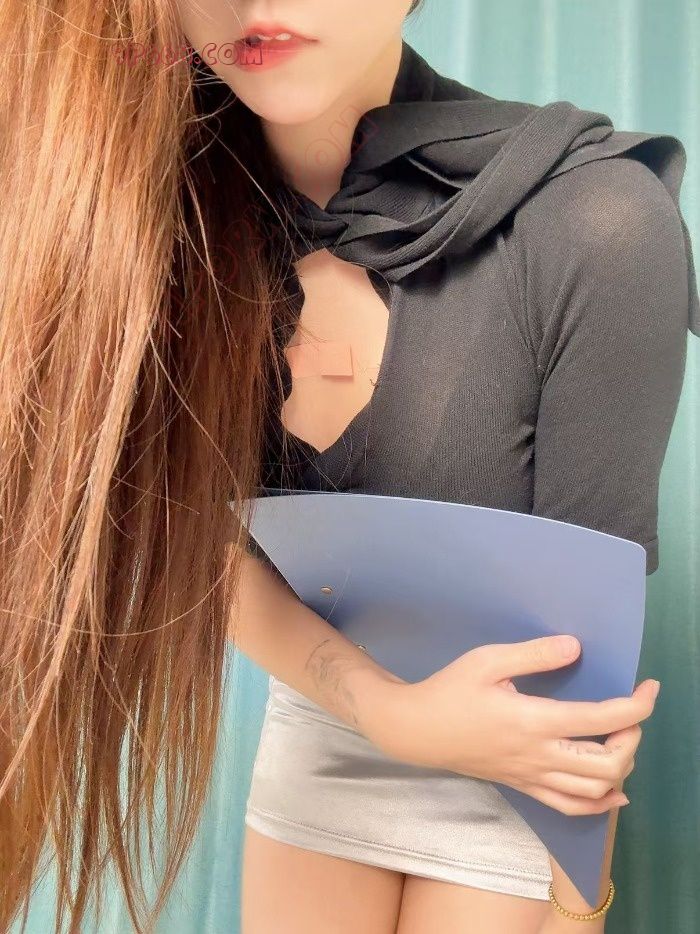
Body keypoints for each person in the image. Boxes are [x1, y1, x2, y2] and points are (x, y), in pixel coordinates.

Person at [0, 3, 696, 934]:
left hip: (521, 781)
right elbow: (185, 537)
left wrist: (580, 912)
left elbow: (585, 650)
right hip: (319, 742)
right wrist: (382, 710)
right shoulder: (143, 214)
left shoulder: (592, 218)